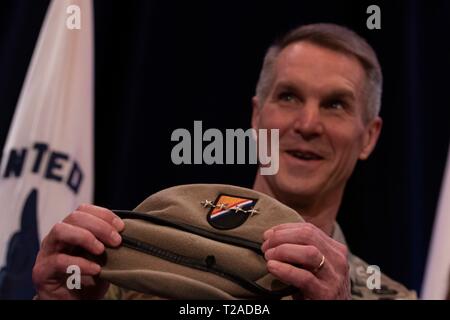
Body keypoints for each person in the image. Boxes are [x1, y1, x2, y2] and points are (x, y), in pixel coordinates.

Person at [32, 23, 416, 300]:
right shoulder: (137, 253)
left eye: (335, 105)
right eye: (288, 97)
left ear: (369, 136)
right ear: (256, 117)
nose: (308, 124)